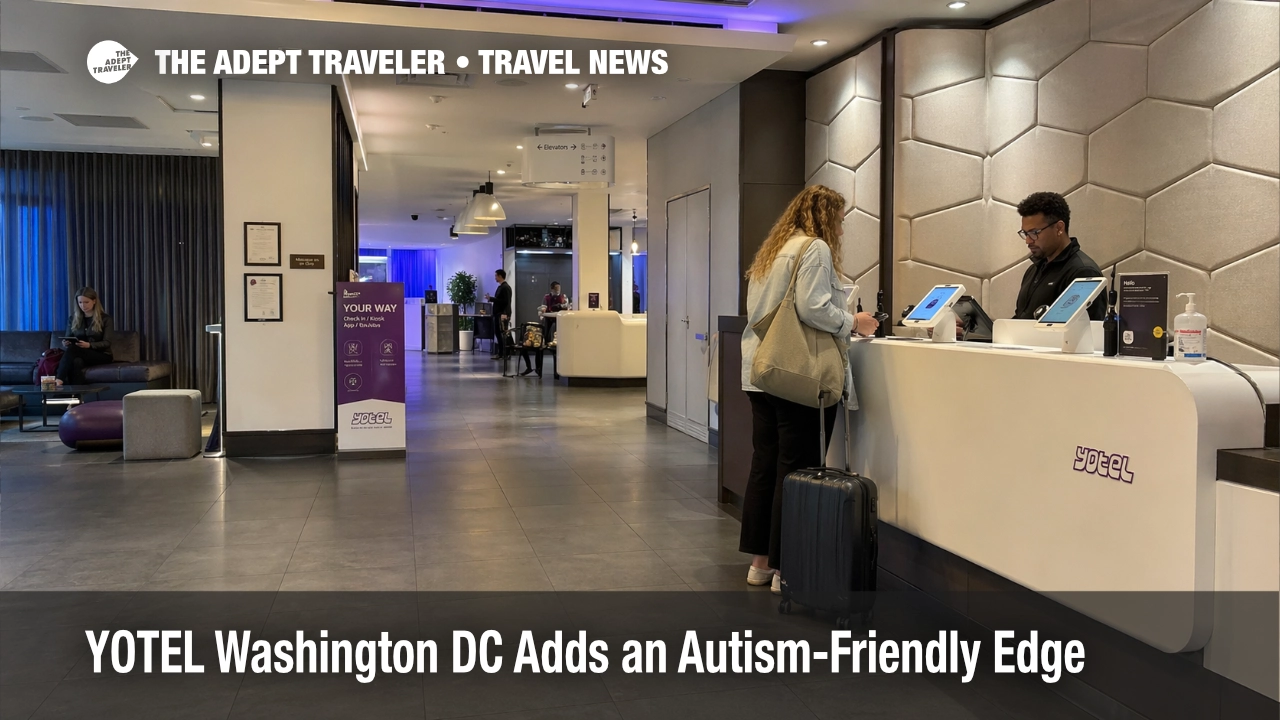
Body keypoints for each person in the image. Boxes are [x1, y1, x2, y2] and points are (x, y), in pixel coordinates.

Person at [739, 185, 879, 594]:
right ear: (826, 217)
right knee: (797, 469)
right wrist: (854, 322)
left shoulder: (772, 252)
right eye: (839, 220)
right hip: (798, 376)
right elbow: (813, 307)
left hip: (761, 372)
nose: (840, 228)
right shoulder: (814, 248)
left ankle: (760, 563)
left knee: (765, 466)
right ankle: (789, 568)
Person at [1012, 191, 1105, 321]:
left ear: (1059, 228)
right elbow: (1021, 321)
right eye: (1025, 233)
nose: (1028, 240)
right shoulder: (1033, 271)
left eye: (1034, 233)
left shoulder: (1083, 272)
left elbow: (1089, 333)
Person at [57, 287, 115, 386]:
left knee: (73, 350)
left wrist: (90, 345)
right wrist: (65, 343)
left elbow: (107, 342)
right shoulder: (73, 319)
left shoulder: (105, 319)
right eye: (80, 303)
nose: (83, 306)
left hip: (102, 354)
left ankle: (59, 379)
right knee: (76, 362)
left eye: (86, 302)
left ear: (94, 301)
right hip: (79, 353)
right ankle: (76, 396)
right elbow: (68, 337)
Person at [520, 281, 568, 377]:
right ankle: (538, 368)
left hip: (559, 322)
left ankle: (557, 372)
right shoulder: (546, 297)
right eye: (556, 288)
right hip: (548, 321)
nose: (558, 290)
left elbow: (566, 306)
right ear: (552, 289)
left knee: (556, 348)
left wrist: (559, 306)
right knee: (541, 344)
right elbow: (543, 307)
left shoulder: (564, 297)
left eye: (559, 288)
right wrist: (543, 310)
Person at [486, 269, 513, 358]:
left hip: (502, 314)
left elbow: (505, 301)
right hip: (499, 313)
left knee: (501, 333)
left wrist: (491, 299)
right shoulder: (501, 287)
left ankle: (504, 352)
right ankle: (504, 352)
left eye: (496, 276)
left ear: (500, 276)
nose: (495, 278)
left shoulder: (505, 287)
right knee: (501, 333)